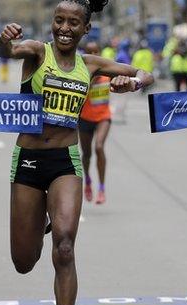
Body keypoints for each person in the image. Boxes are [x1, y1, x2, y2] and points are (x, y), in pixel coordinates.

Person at [0, 1, 154, 305]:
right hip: (28, 161)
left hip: (65, 162)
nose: (65, 28)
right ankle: (41, 219)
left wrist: (134, 82)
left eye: (73, 23)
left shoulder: (91, 65)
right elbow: (8, 51)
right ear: (53, 24)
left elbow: (145, 72)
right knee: (24, 262)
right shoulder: (37, 54)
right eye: (59, 21)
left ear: (86, 30)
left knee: (65, 247)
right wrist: (4, 40)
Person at [78, 42, 112, 205]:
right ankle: (88, 181)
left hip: (103, 117)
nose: (93, 54)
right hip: (84, 118)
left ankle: (102, 188)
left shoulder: (108, 71)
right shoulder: (81, 73)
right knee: (87, 154)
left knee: (99, 147)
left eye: (95, 51)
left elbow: (123, 76)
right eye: (89, 52)